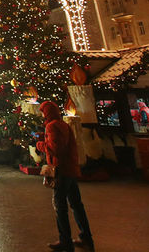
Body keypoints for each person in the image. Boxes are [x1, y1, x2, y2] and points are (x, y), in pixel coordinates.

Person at [36, 101, 94, 252]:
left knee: (60, 207)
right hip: (71, 169)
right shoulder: (63, 124)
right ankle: (86, 238)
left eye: (43, 112)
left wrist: (40, 145)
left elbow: (56, 149)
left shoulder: (52, 126)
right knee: (76, 205)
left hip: (61, 170)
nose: (42, 115)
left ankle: (66, 242)